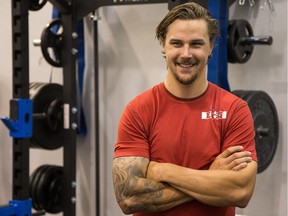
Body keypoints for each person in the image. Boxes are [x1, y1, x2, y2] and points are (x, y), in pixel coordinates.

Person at [112, 2, 258, 216]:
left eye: (196, 44)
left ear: (211, 46)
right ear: (164, 44)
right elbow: (129, 197)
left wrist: (163, 170)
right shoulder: (139, 111)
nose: (186, 53)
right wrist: (211, 175)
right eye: (177, 43)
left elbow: (240, 190)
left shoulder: (235, 110)